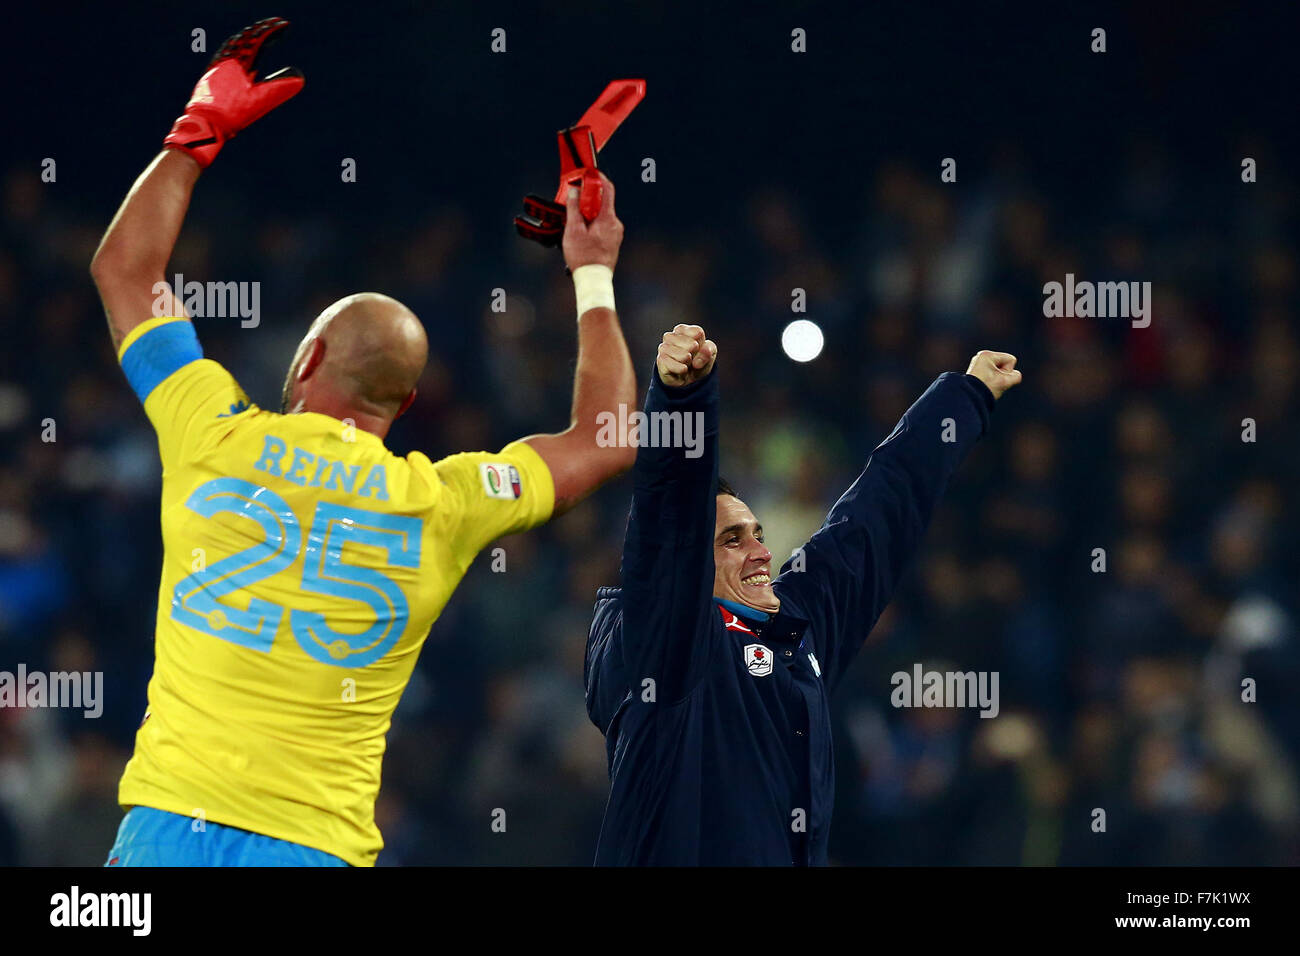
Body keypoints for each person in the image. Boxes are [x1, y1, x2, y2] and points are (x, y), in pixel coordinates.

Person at [91, 18, 636, 866]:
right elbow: (606, 439)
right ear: (408, 400)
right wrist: (591, 267)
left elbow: (125, 271)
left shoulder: (213, 429)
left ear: (308, 358)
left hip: (168, 830)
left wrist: (195, 135)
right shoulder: (442, 504)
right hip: (316, 848)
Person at [585, 324, 1021, 864]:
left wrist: (963, 400)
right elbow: (665, 520)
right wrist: (681, 403)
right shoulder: (665, 651)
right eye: (731, 540)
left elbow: (871, 522)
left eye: (759, 534)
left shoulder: (796, 631)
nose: (761, 552)